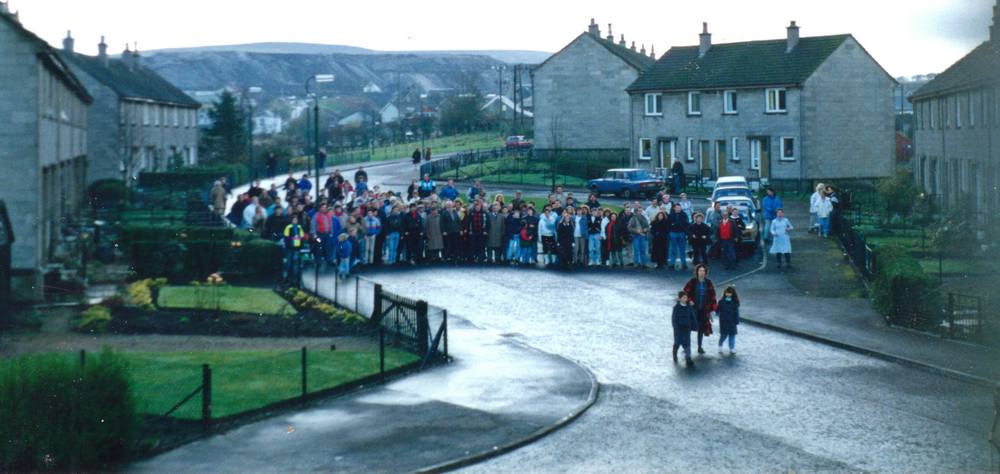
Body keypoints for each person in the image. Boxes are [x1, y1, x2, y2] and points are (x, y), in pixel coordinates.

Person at [683, 264, 717, 354]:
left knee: (701, 329)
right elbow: (685, 292)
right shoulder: (693, 281)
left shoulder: (708, 282)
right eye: (700, 271)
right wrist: (689, 300)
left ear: (705, 272)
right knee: (689, 328)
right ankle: (686, 347)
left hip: (704, 310)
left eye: (703, 271)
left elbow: (713, 296)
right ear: (697, 272)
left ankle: (699, 347)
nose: (702, 272)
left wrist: (713, 309)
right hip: (693, 309)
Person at [671, 291, 696, 365]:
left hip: (687, 329)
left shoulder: (689, 307)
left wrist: (694, 326)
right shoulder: (676, 308)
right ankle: (674, 354)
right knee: (677, 343)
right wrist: (676, 329)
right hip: (679, 329)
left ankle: (688, 358)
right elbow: (674, 319)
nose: (685, 299)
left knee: (687, 344)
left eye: (686, 297)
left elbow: (692, 317)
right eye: (683, 298)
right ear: (680, 298)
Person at [282, 215, 306, 285]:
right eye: (294, 219)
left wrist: (300, 244)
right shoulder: (288, 227)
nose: (295, 221)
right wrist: (292, 240)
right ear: (292, 220)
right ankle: (286, 279)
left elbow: (302, 237)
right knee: (288, 264)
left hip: (297, 248)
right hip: (290, 248)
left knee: (295, 263)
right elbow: (286, 237)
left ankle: (294, 279)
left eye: (296, 219)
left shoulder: (299, 227)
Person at [717, 286, 740, 354]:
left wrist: (736, 321)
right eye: (727, 293)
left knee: (732, 335)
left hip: (732, 321)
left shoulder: (735, 302)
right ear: (725, 293)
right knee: (723, 336)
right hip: (724, 322)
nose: (728, 294)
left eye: (730, 293)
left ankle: (731, 348)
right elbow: (717, 310)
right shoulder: (721, 301)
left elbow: (737, 312)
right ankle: (720, 346)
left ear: (732, 294)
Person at [666, 203, 689, 271]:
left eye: (679, 207)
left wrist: (686, 232)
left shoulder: (684, 214)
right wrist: (669, 232)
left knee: (682, 249)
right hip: (673, 233)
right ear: (674, 208)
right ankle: (672, 264)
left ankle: (684, 264)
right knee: (673, 249)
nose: (679, 209)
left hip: (681, 233)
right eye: (677, 207)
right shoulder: (670, 215)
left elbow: (687, 224)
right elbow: (668, 224)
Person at [628, 203, 650, 267]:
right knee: (636, 250)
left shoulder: (644, 218)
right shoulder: (633, 218)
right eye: (639, 211)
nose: (640, 212)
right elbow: (629, 227)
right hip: (636, 236)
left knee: (643, 250)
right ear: (636, 211)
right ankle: (636, 263)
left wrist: (646, 229)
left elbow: (648, 227)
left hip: (643, 236)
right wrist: (636, 230)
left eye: (641, 211)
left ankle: (644, 263)